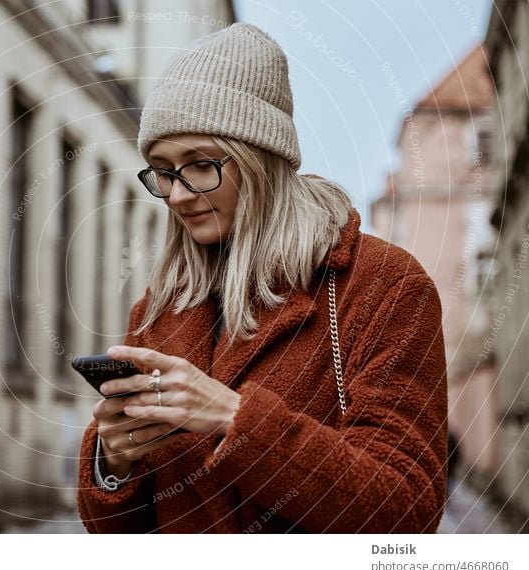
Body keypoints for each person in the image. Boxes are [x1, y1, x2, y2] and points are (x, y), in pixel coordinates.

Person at [76, 22, 448, 533]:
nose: (178, 195)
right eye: (162, 171)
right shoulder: (160, 308)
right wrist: (113, 464)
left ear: (259, 159)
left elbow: (408, 510)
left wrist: (233, 417)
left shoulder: (383, 285)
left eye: (200, 165)